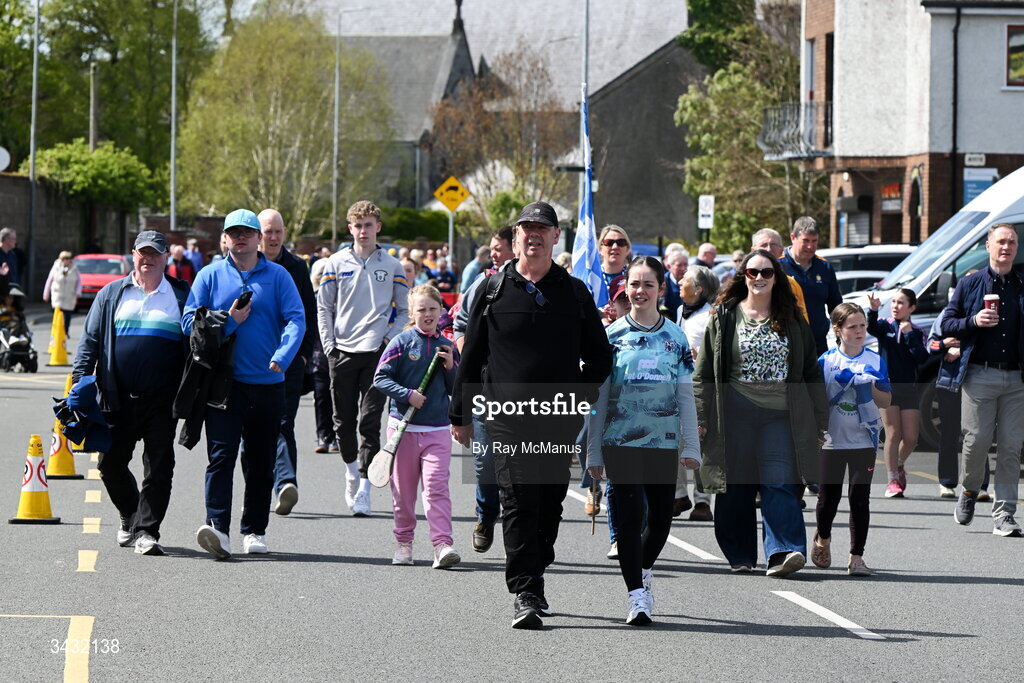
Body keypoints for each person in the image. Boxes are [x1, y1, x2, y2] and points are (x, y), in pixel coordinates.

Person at [450, 200, 612, 630]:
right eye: (526, 228)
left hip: (557, 416)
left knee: (549, 502)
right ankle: (525, 589)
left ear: (556, 237)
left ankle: (537, 564)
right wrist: (460, 413)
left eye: (543, 228)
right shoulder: (493, 289)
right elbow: (472, 356)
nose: (534, 234)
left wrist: (582, 392)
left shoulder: (574, 292)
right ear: (516, 236)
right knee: (517, 500)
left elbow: (600, 356)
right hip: (505, 415)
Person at [694, 249, 827, 576]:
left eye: (766, 273)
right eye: (753, 272)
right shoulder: (724, 316)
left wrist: (821, 420)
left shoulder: (793, 319)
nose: (759, 278)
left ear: (776, 278)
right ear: (743, 276)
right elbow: (704, 372)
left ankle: (784, 552)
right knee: (735, 485)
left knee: (780, 480)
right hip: (735, 410)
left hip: (781, 413)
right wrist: (699, 416)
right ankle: (740, 554)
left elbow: (811, 371)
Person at [184, 209, 305, 559]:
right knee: (220, 458)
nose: (241, 238)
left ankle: (254, 529)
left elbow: (296, 319)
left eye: (247, 233)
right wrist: (229, 322)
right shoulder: (209, 275)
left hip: (268, 383)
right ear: (224, 238)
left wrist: (282, 356)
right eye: (233, 233)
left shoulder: (279, 276)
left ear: (258, 238)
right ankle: (217, 528)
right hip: (223, 384)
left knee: (261, 459)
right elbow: (189, 322)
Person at [587, 256, 701, 625]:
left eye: (647, 284)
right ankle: (637, 596)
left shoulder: (676, 338)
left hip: (664, 442)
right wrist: (592, 450)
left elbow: (685, 395)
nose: (639, 291)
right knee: (630, 518)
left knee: (661, 522)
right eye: (633, 284)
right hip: (619, 440)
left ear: (660, 289)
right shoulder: (612, 336)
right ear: (625, 289)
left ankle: (643, 569)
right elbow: (599, 398)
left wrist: (692, 446)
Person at [71, 230, 190, 556]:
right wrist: (77, 387)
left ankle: (147, 532)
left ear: (166, 258)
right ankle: (130, 513)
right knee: (110, 465)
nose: (148, 258)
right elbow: (89, 343)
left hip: (161, 400)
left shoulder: (181, 296)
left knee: (160, 468)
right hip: (115, 397)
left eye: (156, 253)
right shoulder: (111, 294)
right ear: (133, 254)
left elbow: (197, 346)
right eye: (143, 252)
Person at [317, 200, 408, 517]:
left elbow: (403, 310)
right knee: (343, 423)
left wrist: (388, 340)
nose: (363, 231)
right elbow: (324, 308)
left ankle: (366, 488)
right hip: (341, 351)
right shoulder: (335, 263)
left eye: (368, 225)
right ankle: (351, 472)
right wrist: (329, 346)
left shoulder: (393, 266)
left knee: (370, 422)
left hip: (376, 355)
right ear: (350, 229)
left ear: (378, 227)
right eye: (357, 225)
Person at [941, 223, 1024, 537]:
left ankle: (1004, 516)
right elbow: (947, 322)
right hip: (979, 374)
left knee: (1011, 448)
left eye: (1012, 243)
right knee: (975, 444)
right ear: (988, 245)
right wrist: (973, 321)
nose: (1006, 247)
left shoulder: (1021, 284)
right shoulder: (971, 283)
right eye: (1000, 241)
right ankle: (969, 490)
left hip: (1017, 377)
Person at [373, 284, 461, 568]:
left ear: (441, 311)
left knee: (436, 489)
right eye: (421, 309)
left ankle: (442, 545)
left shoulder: (446, 347)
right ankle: (404, 542)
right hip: (403, 430)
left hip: (437, 430)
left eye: (433, 309)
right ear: (411, 312)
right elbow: (380, 379)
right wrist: (407, 394)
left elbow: (455, 388)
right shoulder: (400, 342)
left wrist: (451, 369)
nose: (427, 314)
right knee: (404, 494)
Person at [812, 303, 892, 577]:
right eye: (852, 327)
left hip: (864, 440)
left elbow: (887, 400)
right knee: (828, 499)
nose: (859, 331)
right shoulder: (826, 361)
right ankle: (823, 538)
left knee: (860, 498)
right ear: (837, 330)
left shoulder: (875, 360)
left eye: (862, 326)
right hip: (832, 440)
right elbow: (817, 401)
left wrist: (870, 387)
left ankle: (856, 557)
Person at [453, 226, 514, 554]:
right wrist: (468, 352)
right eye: (491, 248)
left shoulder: (541, 286)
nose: (493, 253)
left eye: (498, 247)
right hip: (488, 387)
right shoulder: (484, 283)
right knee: (486, 458)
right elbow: (460, 324)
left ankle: (516, 524)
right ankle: (485, 516)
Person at [257, 209, 318, 516]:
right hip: (253, 359)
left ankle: (285, 483)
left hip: (290, 360)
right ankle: (264, 483)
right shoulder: (247, 265)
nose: (274, 237)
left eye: (278, 231)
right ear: (258, 234)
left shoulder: (296, 266)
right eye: (269, 232)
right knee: (255, 428)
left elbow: (310, 311)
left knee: (283, 422)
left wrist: (304, 354)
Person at [866, 289, 929, 498]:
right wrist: (873, 311)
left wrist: (910, 334)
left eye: (901, 303)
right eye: (893, 302)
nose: (895, 306)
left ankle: (899, 464)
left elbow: (921, 358)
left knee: (911, 438)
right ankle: (892, 479)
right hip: (887, 387)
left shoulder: (918, 332)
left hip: (908, 388)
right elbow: (872, 327)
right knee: (893, 433)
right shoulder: (885, 326)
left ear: (911, 308)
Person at [927, 310, 991, 499]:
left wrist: (962, 349)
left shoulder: (987, 313)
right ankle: (946, 483)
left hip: (978, 383)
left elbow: (992, 346)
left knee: (978, 434)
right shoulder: (948, 314)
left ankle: (980, 485)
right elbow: (930, 344)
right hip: (950, 383)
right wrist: (944, 345)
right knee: (949, 432)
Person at [674, 264, 720, 521]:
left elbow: (719, 354)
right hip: (679, 385)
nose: (680, 282)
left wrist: (701, 357)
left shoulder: (712, 315)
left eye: (685, 279)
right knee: (676, 441)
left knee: (701, 443)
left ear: (699, 289)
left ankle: (703, 502)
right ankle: (680, 495)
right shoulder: (681, 311)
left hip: (703, 389)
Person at [779, 217, 841, 357]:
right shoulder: (778, 266)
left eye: (814, 241)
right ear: (793, 237)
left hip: (817, 343)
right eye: (805, 241)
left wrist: (841, 333)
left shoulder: (824, 267)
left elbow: (835, 305)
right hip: (786, 343)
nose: (810, 246)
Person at [310, 248, 338, 454]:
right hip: (318, 357)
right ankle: (323, 435)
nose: (324, 278)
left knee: (340, 398)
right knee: (321, 397)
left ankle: (338, 436)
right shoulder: (311, 298)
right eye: (320, 274)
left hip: (341, 354)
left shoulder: (342, 299)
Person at [751, 228, 809, 322]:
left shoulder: (792, 284)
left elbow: (802, 323)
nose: (769, 249)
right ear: (753, 250)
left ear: (781, 250)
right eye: (764, 245)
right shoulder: (744, 281)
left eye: (773, 245)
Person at [43, 251, 82, 336]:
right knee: (58, 315)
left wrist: (78, 291)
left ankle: (65, 332)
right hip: (58, 295)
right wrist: (46, 293)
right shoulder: (56, 267)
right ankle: (56, 332)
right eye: (64, 259)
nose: (66, 260)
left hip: (69, 295)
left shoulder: (74, 268)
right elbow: (49, 280)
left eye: (68, 259)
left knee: (67, 316)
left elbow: (79, 281)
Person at [661, 249, 688, 321]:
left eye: (685, 264)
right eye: (679, 265)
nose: (683, 268)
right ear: (669, 266)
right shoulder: (663, 283)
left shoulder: (691, 282)